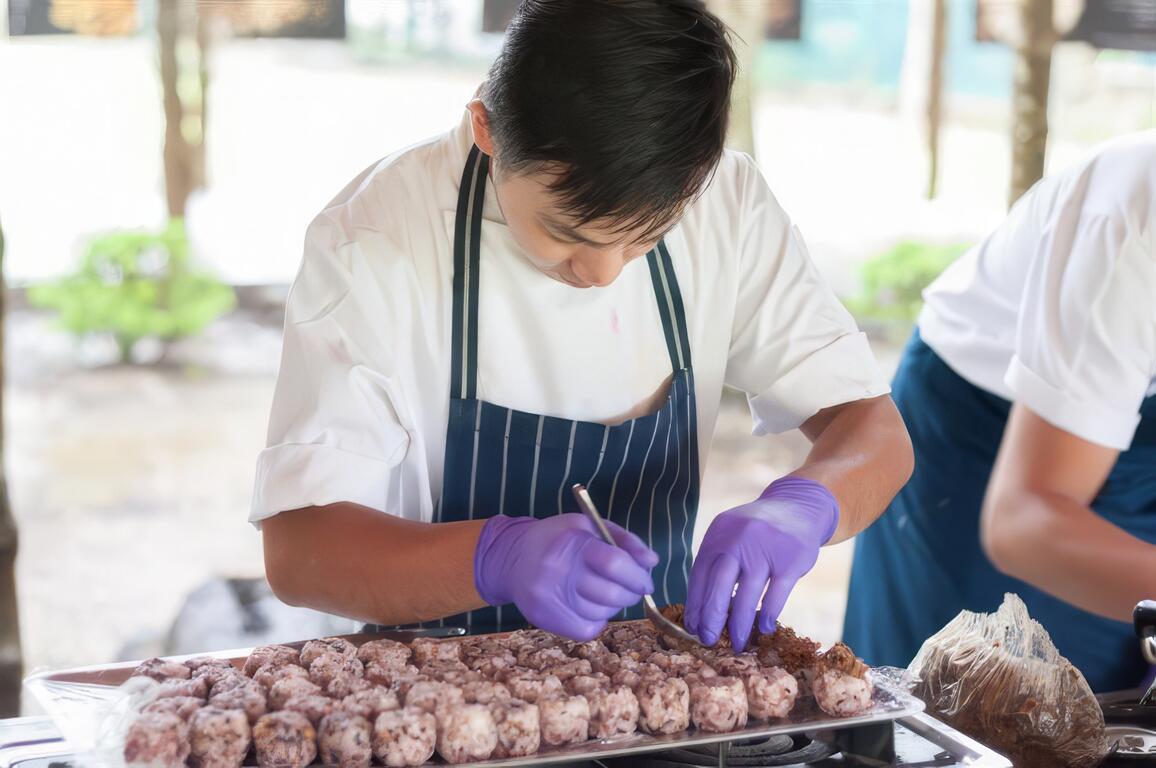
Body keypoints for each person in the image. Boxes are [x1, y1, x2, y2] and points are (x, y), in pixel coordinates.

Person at [253, 0, 912, 650]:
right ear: (488, 128)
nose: (601, 274)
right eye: (565, 234)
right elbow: (301, 551)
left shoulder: (726, 205)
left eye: (645, 238)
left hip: (660, 692)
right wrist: (497, 557)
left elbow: (875, 434)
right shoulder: (373, 240)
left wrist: (805, 504)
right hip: (435, 702)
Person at [844, 132, 1156, 692]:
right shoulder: (1135, 211)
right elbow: (1022, 522)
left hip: (1137, 446)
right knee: (964, 712)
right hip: (985, 445)